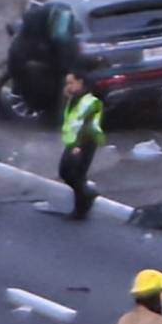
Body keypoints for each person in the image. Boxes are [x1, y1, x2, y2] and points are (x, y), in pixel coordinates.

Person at [58, 73, 105, 220]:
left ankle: (84, 202)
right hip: (74, 141)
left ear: (80, 82)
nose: (68, 87)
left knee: (70, 172)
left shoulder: (90, 102)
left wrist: (78, 146)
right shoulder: (76, 98)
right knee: (72, 174)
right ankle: (83, 202)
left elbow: (87, 126)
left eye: (71, 83)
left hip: (85, 142)